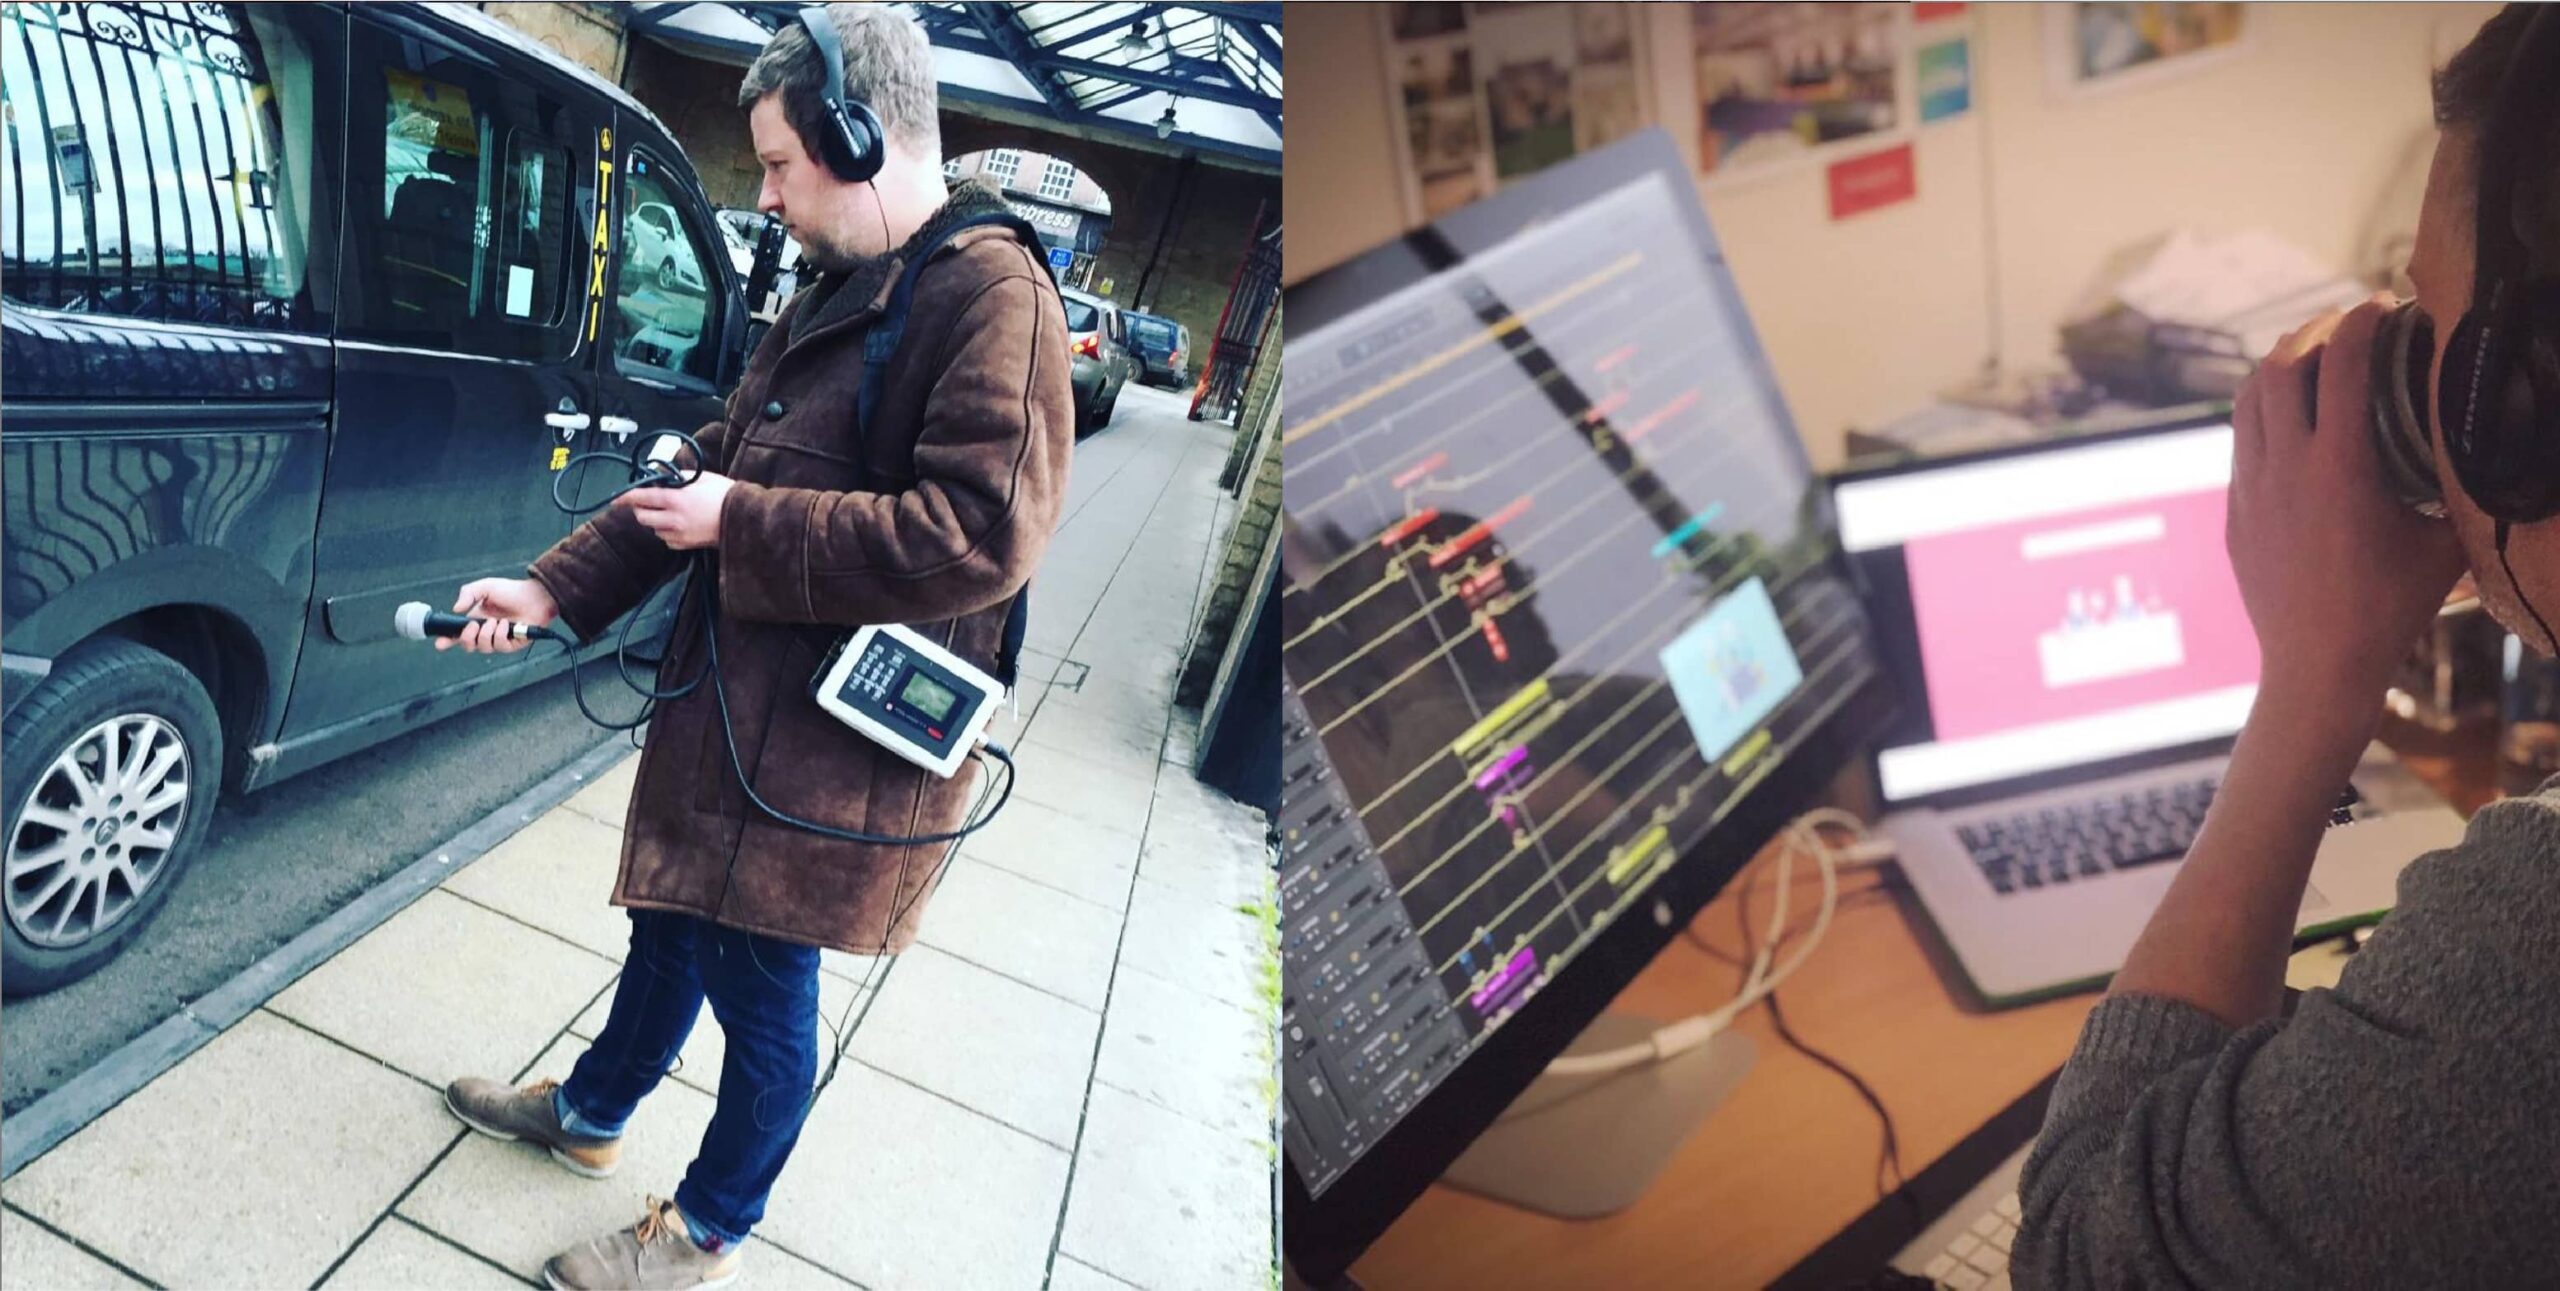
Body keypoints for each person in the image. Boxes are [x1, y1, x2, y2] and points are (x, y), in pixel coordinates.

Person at [428, 8, 1072, 1288]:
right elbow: (713, 470)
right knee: (671, 925)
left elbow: (982, 530)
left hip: (823, 765)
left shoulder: (996, 297)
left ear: (859, 136)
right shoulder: (841, 281)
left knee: (762, 998)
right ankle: (594, 1116)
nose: (765, 195)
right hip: (735, 715)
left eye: (780, 165)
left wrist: (747, 521)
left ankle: (710, 1230)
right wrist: (556, 588)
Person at [2015, 7, 2560, 1285]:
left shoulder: (2529, 955)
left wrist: (2313, 681)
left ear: (2518, 409)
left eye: (2437, 325)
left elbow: (2085, 1257)